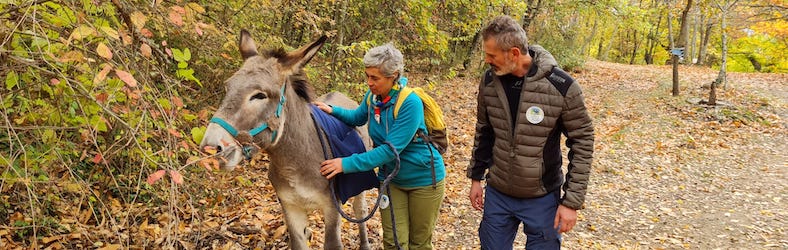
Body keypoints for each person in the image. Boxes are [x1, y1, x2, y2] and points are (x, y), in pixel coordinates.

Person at [467, 15, 595, 249]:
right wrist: (476, 177)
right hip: (498, 194)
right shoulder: (488, 82)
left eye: (491, 55)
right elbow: (484, 130)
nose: (486, 60)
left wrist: (571, 202)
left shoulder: (561, 86)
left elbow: (583, 141)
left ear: (514, 53)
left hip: (542, 198)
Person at [315, 43, 446, 250]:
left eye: (375, 78)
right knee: (393, 243)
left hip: (423, 180)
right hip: (392, 180)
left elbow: (388, 151)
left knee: (418, 244)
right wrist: (332, 110)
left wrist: (345, 164)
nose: (369, 82)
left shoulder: (410, 103)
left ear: (393, 75)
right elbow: (357, 117)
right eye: (367, 76)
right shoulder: (373, 97)